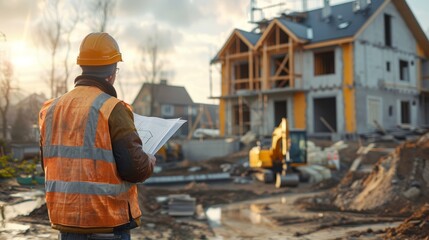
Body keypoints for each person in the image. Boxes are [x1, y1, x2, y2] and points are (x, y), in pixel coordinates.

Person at [38, 32, 156, 240]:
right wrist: (149, 161)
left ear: (82, 66)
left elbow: (48, 164)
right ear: (111, 73)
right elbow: (134, 169)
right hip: (106, 223)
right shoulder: (112, 108)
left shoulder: (50, 110)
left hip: (67, 222)